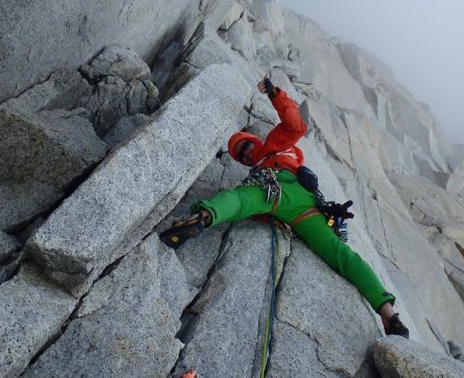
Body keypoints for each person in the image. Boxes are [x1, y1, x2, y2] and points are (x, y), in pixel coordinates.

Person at [161, 77, 409, 338]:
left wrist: (275, 94)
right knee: (339, 253)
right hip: (300, 209)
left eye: (245, 147)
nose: (245, 154)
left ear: (255, 141)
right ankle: (389, 316)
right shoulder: (268, 161)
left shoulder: (274, 144)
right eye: (241, 156)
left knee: (240, 199)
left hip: (277, 190)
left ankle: (389, 316)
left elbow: (296, 125)